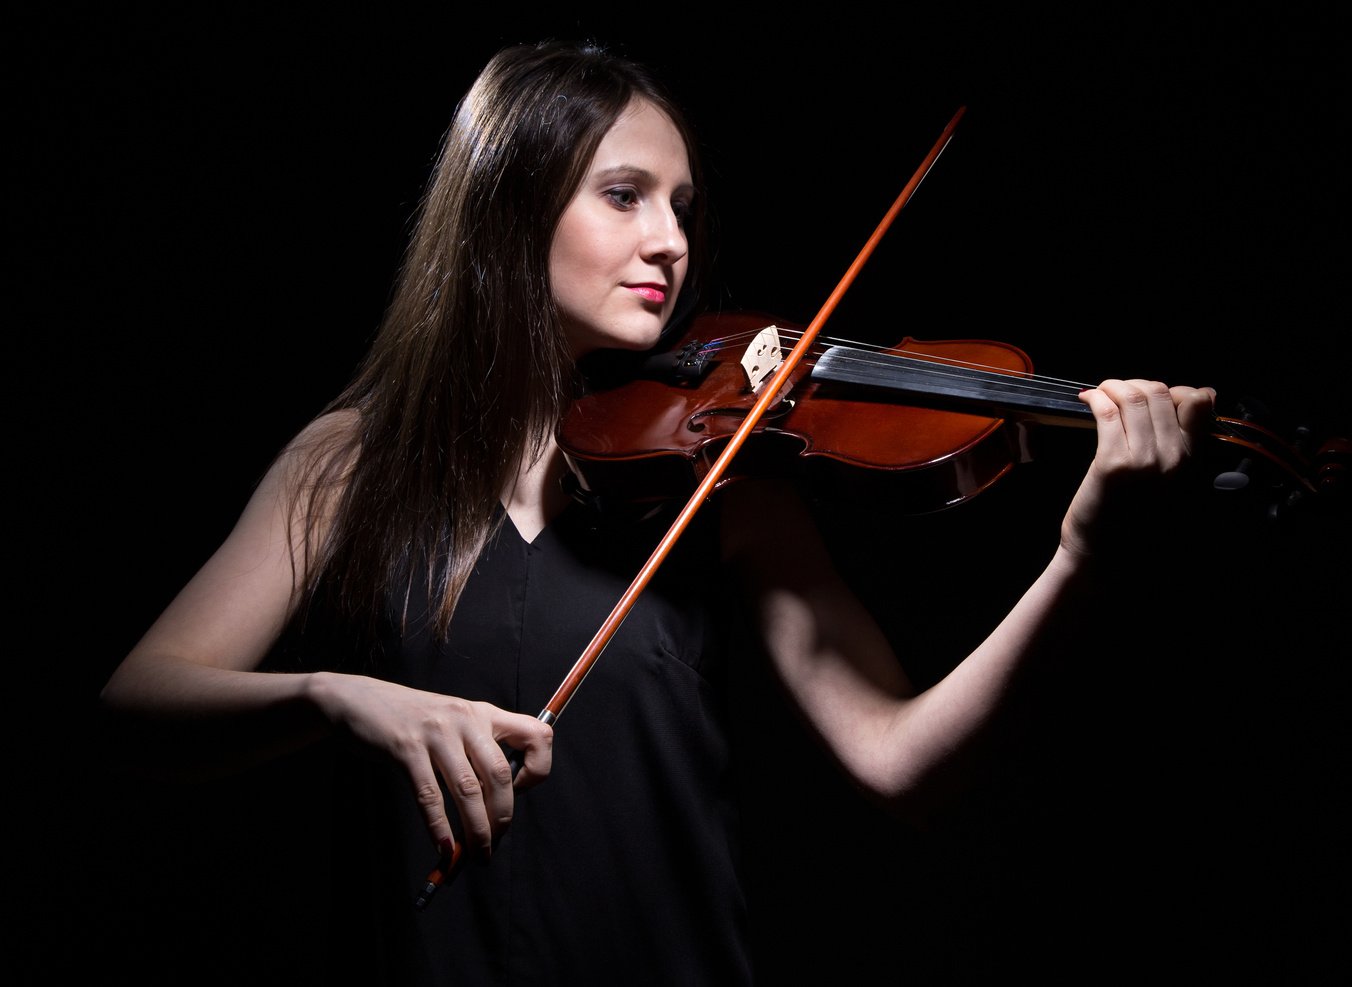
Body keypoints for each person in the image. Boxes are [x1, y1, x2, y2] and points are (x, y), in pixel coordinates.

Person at [98, 39, 1217, 985]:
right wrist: (341, 699)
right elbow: (136, 708)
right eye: (624, 195)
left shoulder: (731, 483)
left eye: (680, 206)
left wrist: (1079, 559)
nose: (672, 242)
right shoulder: (352, 462)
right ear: (512, 204)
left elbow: (902, 764)